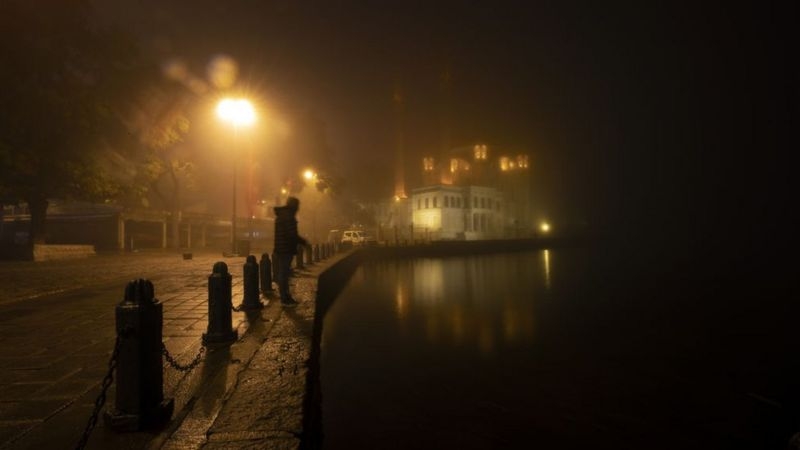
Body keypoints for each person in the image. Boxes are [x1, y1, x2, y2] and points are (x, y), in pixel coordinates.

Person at [273, 196, 307, 307]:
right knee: (283, 273)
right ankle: (285, 298)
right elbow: (292, 234)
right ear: (294, 206)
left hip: (281, 248)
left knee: (284, 273)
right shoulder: (288, 217)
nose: (298, 208)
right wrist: (304, 242)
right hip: (285, 249)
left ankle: (286, 296)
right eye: (297, 206)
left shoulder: (282, 215)